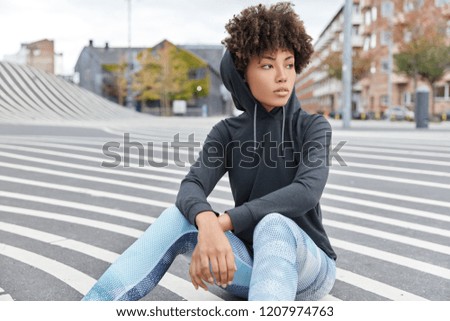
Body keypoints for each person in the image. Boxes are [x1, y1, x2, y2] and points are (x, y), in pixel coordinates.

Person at [82, 1, 336, 301]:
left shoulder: (312, 127)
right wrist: (206, 223)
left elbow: (305, 192)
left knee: (274, 224)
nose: (283, 76)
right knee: (177, 218)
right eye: (268, 65)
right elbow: (192, 186)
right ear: (243, 76)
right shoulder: (227, 133)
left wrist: (224, 222)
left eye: (289, 63)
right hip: (246, 267)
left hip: (307, 269)